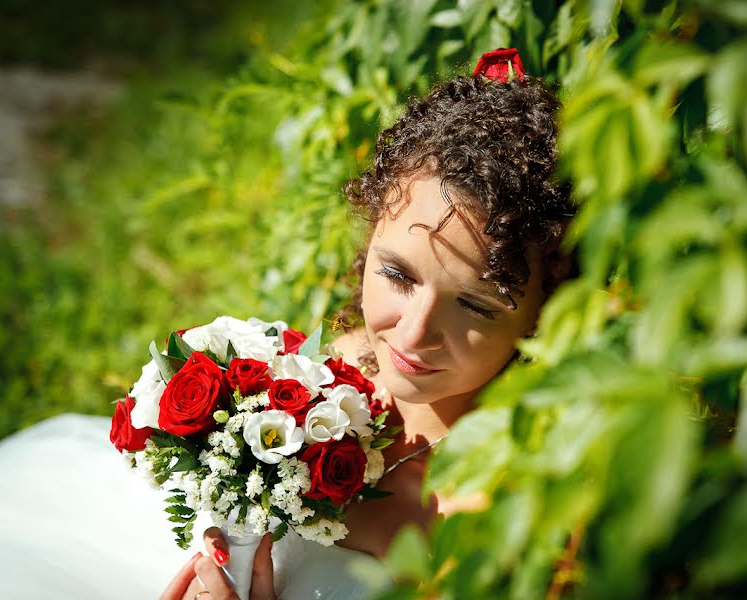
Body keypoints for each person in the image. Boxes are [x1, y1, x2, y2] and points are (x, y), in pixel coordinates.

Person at [161, 50, 572, 600]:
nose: (412, 334)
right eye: (398, 274)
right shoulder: (320, 379)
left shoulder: (499, 507)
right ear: (373, 225)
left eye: (475, 308)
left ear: (543, 312)